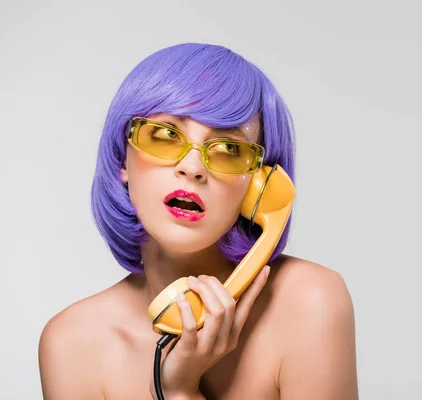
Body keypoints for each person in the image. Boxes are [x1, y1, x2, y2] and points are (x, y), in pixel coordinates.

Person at [38, 43, 358, 400]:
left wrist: (179, 393)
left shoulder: (310, 302)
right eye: (163, 135)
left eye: (228, 149)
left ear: (259, 188)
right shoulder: (72, 343)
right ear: (122, 160)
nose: (192, 168)